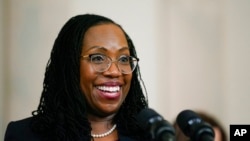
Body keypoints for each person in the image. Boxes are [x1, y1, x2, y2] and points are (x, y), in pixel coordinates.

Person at [4, 14, 149, 141]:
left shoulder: (150, 134)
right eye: (98, 58)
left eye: (124, 59)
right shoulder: (24, 135)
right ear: (70, 65)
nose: (114, 71)